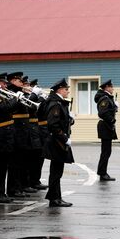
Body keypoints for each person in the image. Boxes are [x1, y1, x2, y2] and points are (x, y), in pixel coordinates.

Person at [42, 78, 75, 207]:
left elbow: (61, 121)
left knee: (57, 171)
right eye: (66, 89)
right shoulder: (55, 104)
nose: (67, 91)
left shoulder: (59, 103)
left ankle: (55, 197)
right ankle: (54, 198)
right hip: (56, 141)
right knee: (56, 172)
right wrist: (64, 138)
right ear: (60, 90)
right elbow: (53, 125)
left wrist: (70, 119)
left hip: (58, 141)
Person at [0, 72, 18, 203]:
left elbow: (12, 111)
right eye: (3, 82)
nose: (6, 85)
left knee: (3, 166)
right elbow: (3, 109)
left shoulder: (3, 95)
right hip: (1, 135)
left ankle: (2, 192)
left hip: (6, 135)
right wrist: (15, 99)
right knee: (0, 166)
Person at [94, 79, 117, 181]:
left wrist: (115, 107)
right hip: (105, 126)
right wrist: (112, 119)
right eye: (111, 87)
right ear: (107, 87)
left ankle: (102, 172)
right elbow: (102, 112)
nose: (112, 88)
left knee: (106, 150)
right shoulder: (105, 98)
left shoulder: (107, 98)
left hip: (106, 126)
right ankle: (102, 173)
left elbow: (107, 110)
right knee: (106, 151)